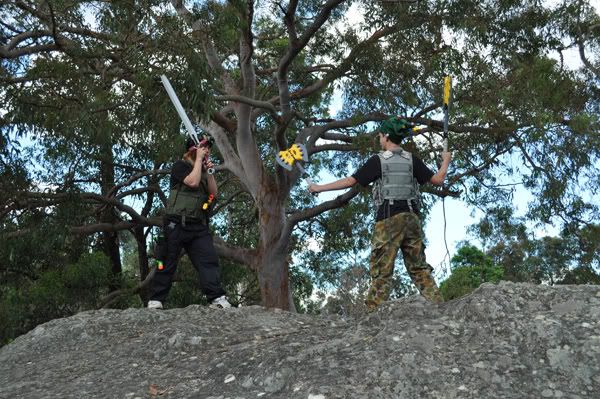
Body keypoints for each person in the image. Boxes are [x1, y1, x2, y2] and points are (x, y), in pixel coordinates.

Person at [308, 117, 451, 310]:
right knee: (418, 268)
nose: (379, 138)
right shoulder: (412, 160)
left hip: (389, 218)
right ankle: (439, 306)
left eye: (380, 135)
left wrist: (319, 187)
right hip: (412, 218)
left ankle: (371, 315)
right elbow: (438, 179)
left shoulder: (379, 161)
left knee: (382, 271)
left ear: (387, 137)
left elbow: (351, 181)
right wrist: (445, 161)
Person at [147, 134, 231, 309]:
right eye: (203, 147)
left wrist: (210, 173)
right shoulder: (180, 166)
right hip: (175, 224)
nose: (207, 150)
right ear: (193, 149)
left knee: (208, 260)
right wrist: (199, 160)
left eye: (208, 148)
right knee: (166, 261)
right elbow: (192, 182)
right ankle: (156, 299)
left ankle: (217, 298)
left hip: (197, 227)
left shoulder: (203, 171)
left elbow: (213, 194)